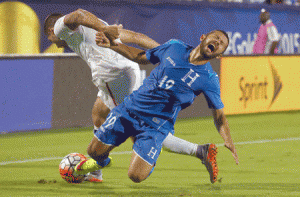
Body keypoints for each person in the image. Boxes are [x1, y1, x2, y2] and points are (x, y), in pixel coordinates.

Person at [44, 9, 218, 183]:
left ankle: (198, 151)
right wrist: (165, 52)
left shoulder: (60, 27)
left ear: (51, 31)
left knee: (139, 127)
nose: (55, 44)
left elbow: (79, 14)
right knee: (98, 114)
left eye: (50, 38)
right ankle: (97, 171)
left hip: (112, 75)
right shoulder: (98, 25)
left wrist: (105, 30)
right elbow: (135, 36)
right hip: (124, 70)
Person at [73, 29, 239, 184]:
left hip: (155, 126)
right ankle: (100, 166)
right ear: (203, 37)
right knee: (93, 152)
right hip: (129, 109)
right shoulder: (175, 47)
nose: (217, 43)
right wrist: (113, 45)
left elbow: (219, 115)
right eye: (216, 38)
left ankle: (150, 157)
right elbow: (140, 57)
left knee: (136, 177)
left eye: (222, 44)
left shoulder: (209, 79)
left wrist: (228, 140)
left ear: (219, 55)